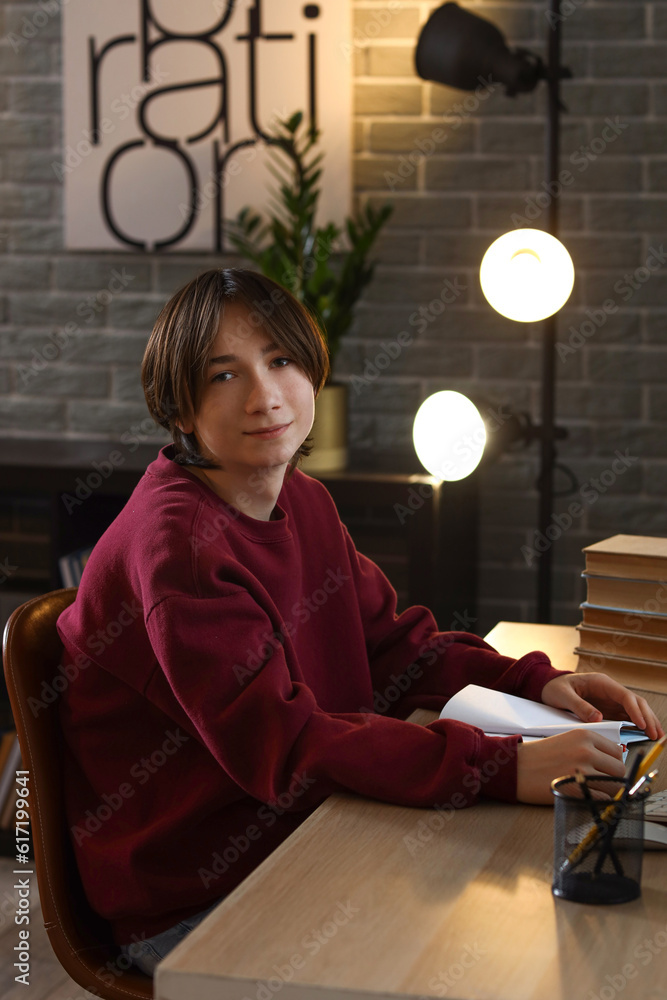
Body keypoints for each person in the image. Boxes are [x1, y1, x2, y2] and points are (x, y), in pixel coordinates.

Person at [56, 268, 662, 977]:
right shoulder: (181, 553)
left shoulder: (303, 500)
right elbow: (288, 750)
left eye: (280, 361)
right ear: (180, 408)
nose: (265, 396)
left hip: (305, 831)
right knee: (497, 952)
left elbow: (396, 650)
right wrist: (505, 765)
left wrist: (539, 684)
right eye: (224, 376)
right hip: (197, 898)